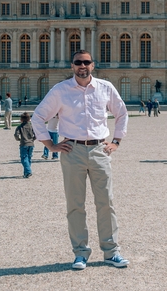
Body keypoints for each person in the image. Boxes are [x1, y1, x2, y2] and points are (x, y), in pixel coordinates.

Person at [30, 49, 130, 270]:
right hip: (72, 150)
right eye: (78, 63)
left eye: (86, 62)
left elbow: (122, 113)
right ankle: (80, 253)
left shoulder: (105, 88)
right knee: (75, 205)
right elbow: (38, 117)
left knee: (106, 203)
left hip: (99, 149)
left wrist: (116, 141)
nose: (82, 66)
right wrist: (50, 145)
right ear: (72, 66)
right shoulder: (61, 90)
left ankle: (111, 251)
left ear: (93, 65)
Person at [13, 112, 36, 178]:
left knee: (24, 158)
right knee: (29, 158)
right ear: (29, 119)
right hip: (31, 143)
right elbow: (36, 134)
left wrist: (19, 139)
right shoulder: (31, 126)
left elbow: (16, 135)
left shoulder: (20, 127)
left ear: (21, 119)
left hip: (23, 143)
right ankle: (26, 173)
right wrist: (33, 139)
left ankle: (28, 171)